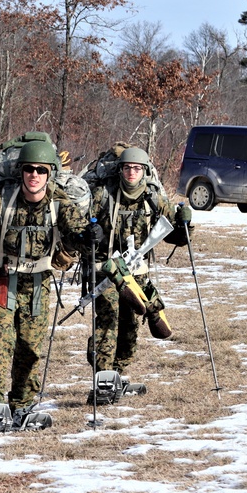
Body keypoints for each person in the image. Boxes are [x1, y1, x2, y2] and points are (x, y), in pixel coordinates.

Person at [0, 138, 91, 429]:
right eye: (29, 169)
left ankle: (22, 405)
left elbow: (77, 228)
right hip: (3, 281)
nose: (34, 175)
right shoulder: (2, 201)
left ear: (49, 174)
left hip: (38, 284)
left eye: (41, 170)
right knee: (3, 335)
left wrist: (86, 237)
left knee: (30, 347)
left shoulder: (59, 202)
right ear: (21, 172)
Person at [85, 146, 191, 379]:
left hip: (136, 271)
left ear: (144, 171)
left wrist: (185, 228)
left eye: (136, 168)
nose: (131, 173)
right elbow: (81, 230)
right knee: (108, 320)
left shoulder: (153, 198)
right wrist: (90, 234)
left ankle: (118, 370)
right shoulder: (103, 195)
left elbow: (172, 232)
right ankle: (103, 376)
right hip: (106, 269)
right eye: (127, 168)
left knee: (131, 324)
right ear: (120, 170)